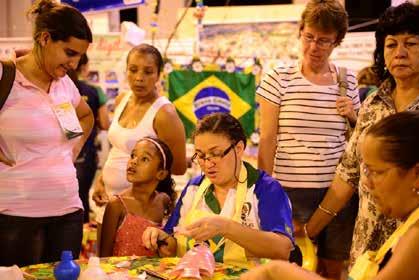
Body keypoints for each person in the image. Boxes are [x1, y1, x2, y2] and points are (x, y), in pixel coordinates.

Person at [238, 111, 419, 280]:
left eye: (376, 172)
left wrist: (279, 272)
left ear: (418, 175)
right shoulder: (415, 221)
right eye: (365, 171)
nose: (366, 184)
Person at [304, 2, 419, 268]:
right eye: (391, 44)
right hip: (367, 246)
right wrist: (309, 230)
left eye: (410, 44)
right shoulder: (373, 104)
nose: (400, 53)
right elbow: (349, 173)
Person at [256, 0, 360, 279]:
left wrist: (352, 115)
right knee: (287, 271)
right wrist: (264, 189)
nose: (314, 47)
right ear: (300, 32)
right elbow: (267, 139)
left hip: (336, 194)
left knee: (330, 271)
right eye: (309, 37)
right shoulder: (279, 77)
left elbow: (360, 139)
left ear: (337, 41)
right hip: (289, 192)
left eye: (324, 41)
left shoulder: (347, 80)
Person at [0, 0, 93, 266]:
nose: (74, 64)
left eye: (79, 57)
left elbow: (85, 116)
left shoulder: (65, 85)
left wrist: (73, 148)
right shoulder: (5, 76)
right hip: (14, 215)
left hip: (68, 212)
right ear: (44, 38)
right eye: (69, 53)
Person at [142, 113, 294, 267]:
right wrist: (163, 241)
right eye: (201, 156)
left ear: (239, 148)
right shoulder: (194, 188)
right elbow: (174, 240)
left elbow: (282, 248)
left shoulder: (265, 189)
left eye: (215, 154)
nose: (208, 164)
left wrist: (227, 228)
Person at [91, 44, 187, 247]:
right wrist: (102, 179)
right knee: (105, 264)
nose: (139, 77)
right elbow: (117, 149)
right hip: (108, 202)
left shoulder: (165, 114)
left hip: (139, 211)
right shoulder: (121, 100)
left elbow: (177, 167)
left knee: (134, 269)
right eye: (133, 70)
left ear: (159, 74)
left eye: (148, 71)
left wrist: (145, 177)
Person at [100, 137, 175, 257]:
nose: (134, 161)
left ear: (161, 174)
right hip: (119, 275)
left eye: (144, 159)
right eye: (133, 155)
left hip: (155, 274)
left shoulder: (164, 201)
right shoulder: (117, 205)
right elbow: (104, 258)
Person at [69, 54, 110, 223]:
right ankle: (83, 240)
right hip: (86, 151)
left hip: (60, 154)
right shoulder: (94, 91)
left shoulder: (58, 88)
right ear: (84, 67)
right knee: (82, 196)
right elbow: (105, 123)